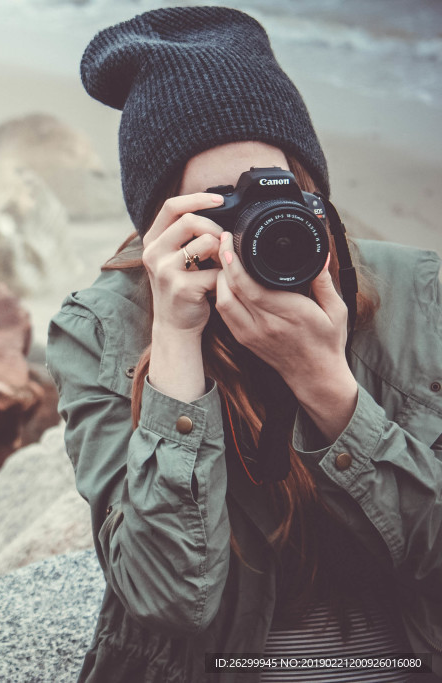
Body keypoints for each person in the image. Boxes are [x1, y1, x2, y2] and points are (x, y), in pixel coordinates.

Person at [46, 7, 442, 682]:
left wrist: (327, 386)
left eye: (280, 189)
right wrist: (175, 342)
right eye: (221, 205)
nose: (260, 220)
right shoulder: (103, 329)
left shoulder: (422, 294)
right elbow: (168, 598)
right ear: (162, 226)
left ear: (316, 192)